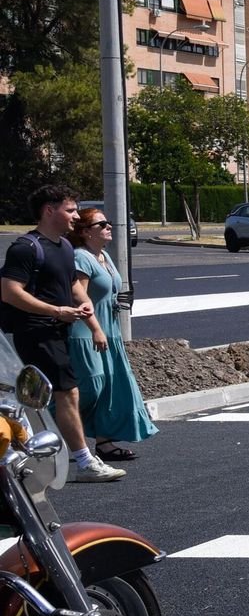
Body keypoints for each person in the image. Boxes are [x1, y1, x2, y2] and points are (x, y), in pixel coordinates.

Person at [0, 186, 124, 482]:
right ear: (49, 211)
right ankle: (85, 462)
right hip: (36, 331)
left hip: (58, 331)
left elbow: (72, 285)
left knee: (31, 397)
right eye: (70, 210)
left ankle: (19, 454)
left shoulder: (65, 247)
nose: (76, 216)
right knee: (67, 392)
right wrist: (55, 311)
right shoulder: (25, 248)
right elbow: (10, 292)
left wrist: (90, 316)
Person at [66, 207, 157, 463]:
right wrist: (95, 328)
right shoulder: (81, 257)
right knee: (91, 385)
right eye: (102, 224)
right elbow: (79, 298)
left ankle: (103, 443)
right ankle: (55, 428)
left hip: (110, 330)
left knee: (109, 387)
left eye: (108, 222)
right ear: (85, 232)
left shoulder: (104, 255)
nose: (109, 227)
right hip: (85, 331)